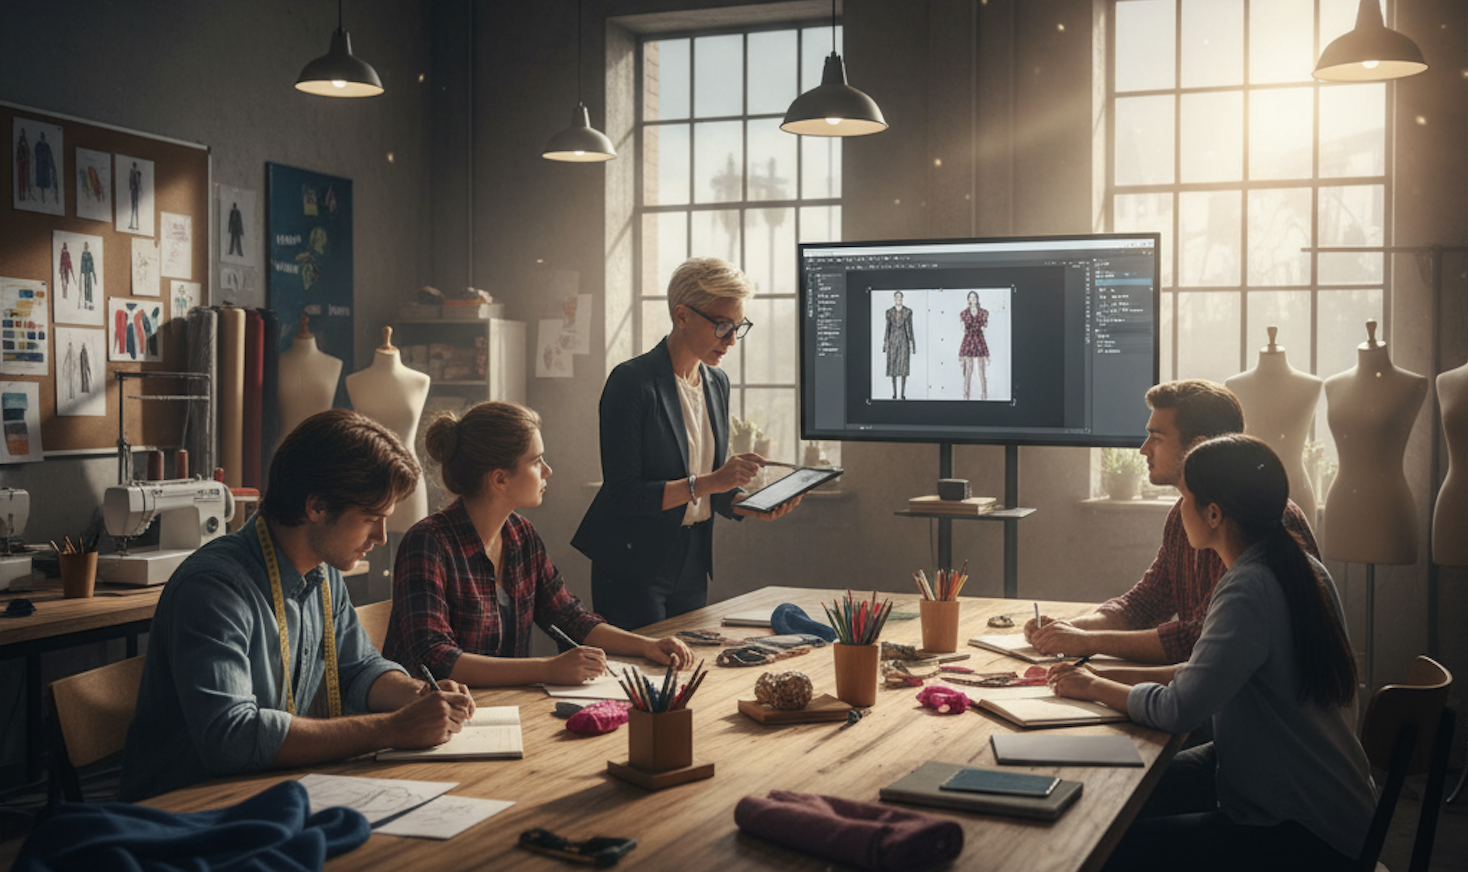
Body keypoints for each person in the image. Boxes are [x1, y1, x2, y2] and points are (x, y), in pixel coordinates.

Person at [1048, 435, 1373, 871]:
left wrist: (1094, 687)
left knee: (1099, 845)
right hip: (1333, 808)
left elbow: (1179, 709)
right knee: (1111, 795)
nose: (1178, 508)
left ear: (1214, 513)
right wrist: (1095, 678)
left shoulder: (1248, 586)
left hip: (1300, 834)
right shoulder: (1299, 567)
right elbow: (1207, 672)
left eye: (1185, 497)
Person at [120, 410, 476, 801]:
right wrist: (394, 728)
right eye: (371, 518)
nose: (380, 536)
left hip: (269, 791)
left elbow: (359, 670)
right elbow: (232, 739)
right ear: (317, 507)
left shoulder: (323, 573)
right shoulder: (214, 589)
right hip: (186, 812)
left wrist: (418, 696)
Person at [385, 402, 693, 686]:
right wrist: (547, 669)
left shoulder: (521, 536)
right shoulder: (428, 544)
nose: (547, 470)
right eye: (536, 461)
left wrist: (648, 646)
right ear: (499, 479)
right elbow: (435, 659)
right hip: (434, 721)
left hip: (507, 709)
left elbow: (570, 618)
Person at [573, 257, 799, 630]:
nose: (731, 340)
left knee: (689, 673)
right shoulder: (631, 383)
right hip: (634, 561)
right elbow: (624, 495)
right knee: (643, 679)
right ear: (682, 316)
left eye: (738, 327)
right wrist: (713, 483)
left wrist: (749, 504)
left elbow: (712, 485)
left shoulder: (716, 383)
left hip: (693, 557)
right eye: (722, 326)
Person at [1026, 380, 1318, 664]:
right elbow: (1145, 603)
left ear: (1197, 448)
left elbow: (1198, 638)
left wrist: (1087, 642)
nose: (1144, 449)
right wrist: (1070, 629)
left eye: (1157, 437)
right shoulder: (1184, 515)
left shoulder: (1262, 519)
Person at [883, 291, 915, 400]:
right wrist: (885, 342)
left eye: (900, 297)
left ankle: (902, 394)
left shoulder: (907, 312)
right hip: (892, 341)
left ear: (902, 298)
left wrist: (912, 343)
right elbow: (887, 328)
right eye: (896, 297)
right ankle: (894, 394)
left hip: (903, 340)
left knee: (903, 368)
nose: (898, 299)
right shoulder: (889, 312)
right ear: (894, 298)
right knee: (893, 368)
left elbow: (910, 329)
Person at [959, 290, 989, 400]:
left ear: (977, 299)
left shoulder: (983, 313)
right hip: (968, 342)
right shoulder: (964, 313)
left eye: (974, 297)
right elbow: (963, 330)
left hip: (979, 341)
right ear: (968, 300)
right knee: (968, 370)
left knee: (982, 370)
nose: (973, 299)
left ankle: (984, 395)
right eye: (971, 297)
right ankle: (966, 395)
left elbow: (985, 329)